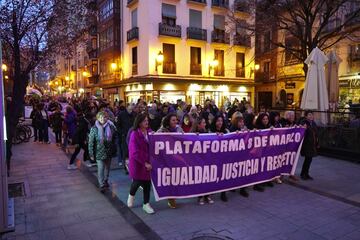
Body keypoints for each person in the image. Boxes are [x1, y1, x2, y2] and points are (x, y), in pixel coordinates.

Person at [127, 113, 155, 214]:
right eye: (144, 121)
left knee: (147, 184)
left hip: (148, 162)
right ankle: (131, 195)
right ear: (139, 123)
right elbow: (134, 151)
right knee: (137, 182)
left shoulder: (150, 132)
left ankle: (146, 204)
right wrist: (144, 163)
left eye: (147, 120)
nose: (147, 122)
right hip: (138, 163)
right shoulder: (134, 134)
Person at [157, 113, 184, 209]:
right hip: (165, 159)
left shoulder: (179, 129)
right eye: (173, 120)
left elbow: (186, 139)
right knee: (169, 178)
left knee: (176, 178)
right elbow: (155, 141)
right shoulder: (161, 131)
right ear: (168, 121)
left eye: (176, 120)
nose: (175, 122)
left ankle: (173, 195)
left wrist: (194, 135)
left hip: (176, 158)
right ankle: (170, 198)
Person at [88, 111, 117, 193]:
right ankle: (101, 184)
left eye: (104, 117)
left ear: (107, 118)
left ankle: (105, 180)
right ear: (98, 118)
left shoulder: (111, 127)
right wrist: (91, 153)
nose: (102, 119)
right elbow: (91, 142)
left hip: (108, 151)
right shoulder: (94, 128)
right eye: (101, 117)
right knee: (101, 169)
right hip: (99, 152)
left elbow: (115, 137)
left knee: (107, 168)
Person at [190, 116, 214, 205]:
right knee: (200, 178)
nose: (205, 124)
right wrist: (193, 137)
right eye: (203, 123)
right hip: (197, 160)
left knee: (207, 177)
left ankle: (207, 195)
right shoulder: (192, 134)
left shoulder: (207, 132)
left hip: (206, 159)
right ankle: (200, 196)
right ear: (198, 125)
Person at [210, 114, 230, 202]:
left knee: (224, 174)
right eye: (218, 121)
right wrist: (214, 136)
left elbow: (233, 140)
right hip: (214, 158)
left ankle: (223, 193)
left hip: (224, 157)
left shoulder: (226, 131)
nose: (220, 123)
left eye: (221, 121)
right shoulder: (210, 131)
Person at [229, 113, 249, 197]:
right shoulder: (231, 129)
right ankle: (233, 186)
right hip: (234, 154)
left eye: (242, 122)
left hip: (242, 153)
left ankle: (242, 188)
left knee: (242, 171)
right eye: (240, 122)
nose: (242, 124)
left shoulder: (244, 129)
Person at [115, 104, 135, 173]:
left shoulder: (134, 114)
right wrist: (122, 133)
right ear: (127, 108)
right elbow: (118, 125)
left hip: (133, 135)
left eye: (132, 109)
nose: (131, 111)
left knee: (132, 152)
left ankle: (131, 167)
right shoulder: (121, 114)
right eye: (130, 109)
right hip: (125, 135)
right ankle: (126, 168)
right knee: (125, 152)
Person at [300, 110, 319, 180]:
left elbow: (315, 133)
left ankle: (306, 173)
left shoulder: (313, 123)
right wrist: (303, 128)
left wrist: (317, 142)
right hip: (306, 145)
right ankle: (303, 174)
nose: (311, 116)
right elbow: (302, 133)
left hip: (312, 145)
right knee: (307, 159)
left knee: (309, 160)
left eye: (312, 115)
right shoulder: (304, 123)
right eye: (309, 115)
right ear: (306, 116)